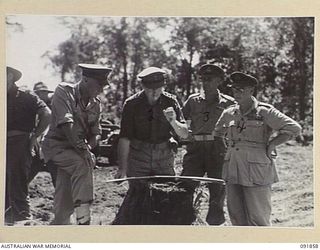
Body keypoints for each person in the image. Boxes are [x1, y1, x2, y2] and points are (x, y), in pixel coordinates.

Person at [214, 71, 302, 226]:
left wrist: (272, 144)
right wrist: (226, 150)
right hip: (232, 167)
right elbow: (217, 132)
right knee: (236, 217)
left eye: (241, 89)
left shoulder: (264, 111)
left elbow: (294, 128)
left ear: (251, 91)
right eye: (234, 89)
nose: (237, 93)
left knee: (258, 218)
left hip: (256, 169)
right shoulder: (229, 113)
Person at [42, 63, 112, 225]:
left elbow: (96, 133)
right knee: (82, 164)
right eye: (99, 85)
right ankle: (84, 221)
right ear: (85, 80)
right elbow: (67, 124)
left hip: (75, 150)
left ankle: (60, 224)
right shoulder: (64, 91)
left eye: (104, 85)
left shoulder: (96, 104)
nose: (102, 89)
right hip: (56, 147)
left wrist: (87, 147)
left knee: (63, 204)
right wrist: (84, 150)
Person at [181, 63, 236, 225]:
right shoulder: (193, 100)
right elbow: (181, 121)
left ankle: (215, 225)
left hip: (218, 148)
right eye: (203, 79)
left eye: (209, 79)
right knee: (186, 185)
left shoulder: (229, 103)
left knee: (217, 188)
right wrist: (182, 135)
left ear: (219, 81)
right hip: (196, 149)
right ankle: (184, 220)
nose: (205, 83)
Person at [115, 66, 189, 180]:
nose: (154, 92)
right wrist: (122, 168)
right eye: (150, 89)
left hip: (164, 158)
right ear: (143, 86)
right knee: (138, 194)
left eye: (158, 88)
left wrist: (173, 122)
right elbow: (125, 138)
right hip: (139, 158)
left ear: (163, 85)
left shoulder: (171, 102)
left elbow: (184, 133)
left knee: (165, 193)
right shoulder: (132, 104)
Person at [6, 66, 51, 224]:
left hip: (20, 144)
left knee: (18, 184)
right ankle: (9, 216)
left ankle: (24, 220)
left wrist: (34, 137)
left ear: (9, 76)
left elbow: (47, 114)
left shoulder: (26, 95)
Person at [29, 82, 57, 186]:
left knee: (56, 174)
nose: (43, 95)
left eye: (45, 93)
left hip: (50, 144)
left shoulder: (52, 108)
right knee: (30, 171)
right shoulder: (31, 108)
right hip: (34, 144)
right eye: (41, 93)